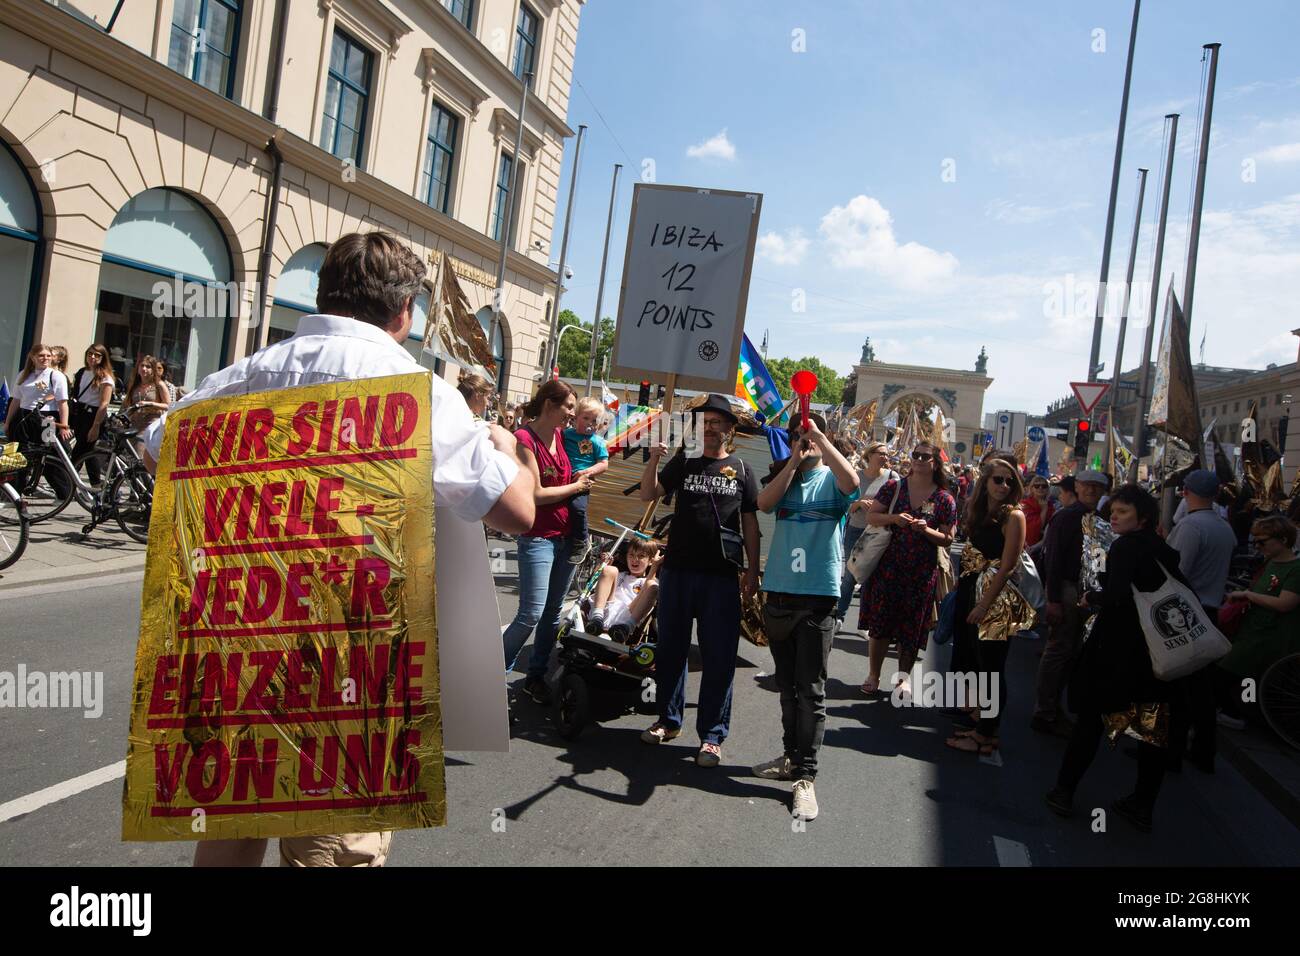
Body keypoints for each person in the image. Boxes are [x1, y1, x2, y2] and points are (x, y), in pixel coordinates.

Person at [141, 231, 535, 866]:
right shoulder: (419, 391)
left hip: (239, 651)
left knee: (228, 840)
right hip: (348, 667)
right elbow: (516, 511)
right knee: (333, 851)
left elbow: (156, 446)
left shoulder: (252, 372)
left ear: (323, 293)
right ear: (404, 310)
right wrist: (509, 451)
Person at [1046, 484, 1191, 832]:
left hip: (1115, 652)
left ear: (1143, 518)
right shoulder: (1165, 550)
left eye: (1122, 512)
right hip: (1155, 655)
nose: (1114, 516)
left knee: (1090, 726)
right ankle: (1142, 805)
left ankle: (1064, 792)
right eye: (1112, 511)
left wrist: (1090, 597)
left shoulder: (1125, 546)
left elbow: (1117, 595)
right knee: (1151, 732)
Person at [638, 394, 760, 767]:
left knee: (718, 657)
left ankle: (711, 736)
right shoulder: (684, 461)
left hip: (721, 577)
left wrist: (753, 570)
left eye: (718, 422)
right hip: (677, 572)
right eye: (705, 422)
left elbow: (751, 523)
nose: (710, 428)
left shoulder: (742, 469)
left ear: (730, 429)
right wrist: (655, 458)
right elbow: (649, 493)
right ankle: (668, 721)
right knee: (671, 650)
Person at [752, 412, 859, 821]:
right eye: (799, 434)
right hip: (779, 593)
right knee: (786, 686)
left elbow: (852, 482)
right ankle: (790, 757)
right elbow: (763, 503)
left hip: (817, 599)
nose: (806, 439)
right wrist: (793, 461)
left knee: (811, 690)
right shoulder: (786, 476)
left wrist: (821, 440)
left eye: (811, 435)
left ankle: (806, 778)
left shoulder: (833, 481)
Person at [502, 379, 593, 705]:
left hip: (567, 538)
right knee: (531, 613)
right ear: (550, 405)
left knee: (553, 613)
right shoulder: (524, 438)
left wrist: (582, 479)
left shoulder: (558, 436)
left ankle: (535, 677)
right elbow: (535, 494)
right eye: (569, 406)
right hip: (538, 538)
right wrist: (576, 487)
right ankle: (494, 671)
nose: (573, 413)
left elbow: (564, 477)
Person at [856, 440, 958, 696]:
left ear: (935, 463)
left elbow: (948, 538)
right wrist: (895, 519)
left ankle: (902, 679)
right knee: (880, 625)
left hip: (921, 573)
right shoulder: (894, 486)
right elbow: (871, 517)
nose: (920, 460)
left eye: (926, 456)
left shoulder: (944, 499)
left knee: (911, 629)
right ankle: (874, 674)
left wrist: (928, 530)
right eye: (916, 455)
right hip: (887, 568)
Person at [946, 456, 1032, 755]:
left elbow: (1008, 566)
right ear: (986, 482)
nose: (1004, 486)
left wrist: (984, 604)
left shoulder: (1014, 516)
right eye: (998, 480)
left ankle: (986, 734)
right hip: (973, 591)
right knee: (979, 665)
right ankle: (983, 727)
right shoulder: (982, 510)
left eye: (1010, 481)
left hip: (995, 599)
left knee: (992, 669)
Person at [1164, 470, 1236, 771]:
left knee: (1179, 687)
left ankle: (1172, 751)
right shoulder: (1224, 527)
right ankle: (1203, 750)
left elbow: (1177, 571)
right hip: (1210, 609)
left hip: (1187, 611)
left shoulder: (1191, 526)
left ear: (1186, 492)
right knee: (1200, 688)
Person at [1033, 470, 1108, 737]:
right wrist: (1053, 599)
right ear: (1077, 486)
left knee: (1072, 652)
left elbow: (1100, 562)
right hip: (1065, 587)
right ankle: (1044, 711)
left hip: (1087, 592)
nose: (1091, 490)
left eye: (1097, 487)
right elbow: (1051, 560)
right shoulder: (1065, 517)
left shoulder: (1101, 521)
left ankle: (1054, 708)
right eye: (1087, 485)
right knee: (1058, 650)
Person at [1216, 515, 1300, 728]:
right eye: (1255, 541)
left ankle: (1237, 713)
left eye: (1262, 542)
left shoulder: (1295, 569)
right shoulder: (1270, 562)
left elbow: (1285, 603)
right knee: (1247, 676)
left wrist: (1249, 596)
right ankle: (1244, 712)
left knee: (1232, 672)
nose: (1257, 546)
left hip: (1270, 634)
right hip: (1254, 630)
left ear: (1282, 539)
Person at [835, 440, 898, 630]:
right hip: (856, 529)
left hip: (878, 533)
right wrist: (860, 504)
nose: (884, 457)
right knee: (850, 575)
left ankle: (866, 624)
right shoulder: (856, 476)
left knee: (872, 579)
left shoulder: (892, 477)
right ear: (869, 455)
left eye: (886, 454)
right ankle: (839, 617)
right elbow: (847, 506)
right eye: (880, 453)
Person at [3, 345, 74, 468]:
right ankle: (21, 485)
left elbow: (62, 403)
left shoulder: (56, 376)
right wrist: (8, 422)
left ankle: (64, 486)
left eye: (48, 355)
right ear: (32, 357)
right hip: (24, 416)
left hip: (46, 418)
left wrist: (64, 426)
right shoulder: (23, 375)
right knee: (19, 455)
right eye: (41, 355)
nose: (45, 358)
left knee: (45, 457)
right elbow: (16, 400)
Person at [585, 536, 662, 642]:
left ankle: (626, 628)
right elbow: (596, 584)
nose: (635, 559)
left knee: (652, 586)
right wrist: (603, 565)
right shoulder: (620, 574)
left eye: (641, 556)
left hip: (630, 613)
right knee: (610, 570)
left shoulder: (647, 580)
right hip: (605, 608)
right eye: (631, 555)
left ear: (650, 561)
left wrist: (654, 567)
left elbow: (649, 583)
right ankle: (596, 617)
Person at [563, 396, 610, 565]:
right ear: (576, 417)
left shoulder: (597, 442)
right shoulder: (565, 434)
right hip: (563, 480)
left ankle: (582, 541)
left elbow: (604, 464)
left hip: (582, 482)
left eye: (595, 419)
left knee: (577, 508)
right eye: (586, 418)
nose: (591, 422)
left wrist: (588, 472)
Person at [69, 344, 116, 485]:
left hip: (94, 416)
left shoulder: (105, 377)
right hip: (80, 414)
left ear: (103, 358)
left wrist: (95, 426)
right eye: (90, 354)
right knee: (87, 452)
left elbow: (103, 404)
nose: (93, 357)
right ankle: (96, 484)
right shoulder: (82, 372)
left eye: (97, 355)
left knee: (78, 452)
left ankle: (67, 485)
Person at [124, 354, 170, 436]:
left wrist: (150, 404)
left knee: (140, 448)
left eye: (148, 367)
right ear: (138, 368)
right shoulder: (134, 384)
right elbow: (127, 404)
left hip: (150, 425)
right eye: (142, 365)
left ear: (153, 370)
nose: (144, 369)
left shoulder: (159, 384)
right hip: (133, 424)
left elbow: (169, 405)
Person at [1022, 475, 1055, 548]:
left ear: (1047, 489)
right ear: (1032, 489)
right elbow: (1035, 528)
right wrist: (1044, 510)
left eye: (1044, 486)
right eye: (1037, 486)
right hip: (1028, 546)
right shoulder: (1025, 505)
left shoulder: (1050, 506)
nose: (1040, 488)